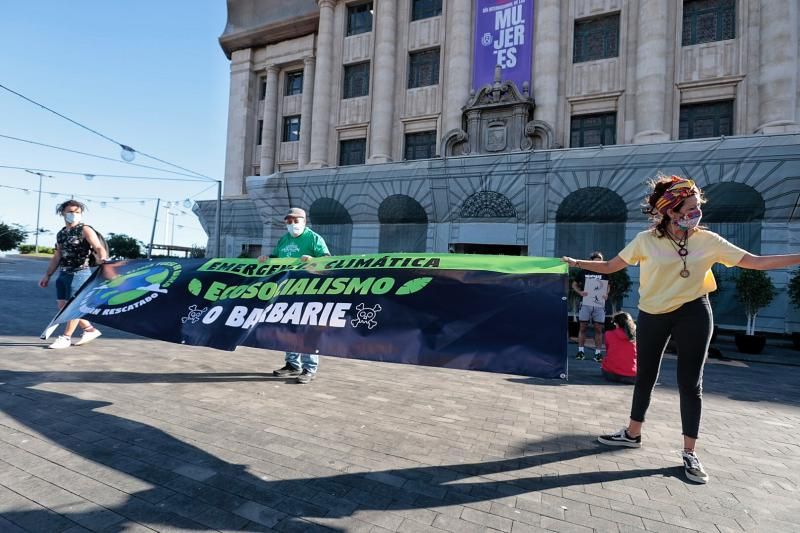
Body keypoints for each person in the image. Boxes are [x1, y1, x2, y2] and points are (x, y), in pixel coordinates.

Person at [562, 175, 800, 484]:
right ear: (671, 211)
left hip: (694, 311)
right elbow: (609, 267)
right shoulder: (645, 241)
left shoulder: (707, 240)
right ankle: (632, 434)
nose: (697, 213)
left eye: (698, 206)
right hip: (653, 313)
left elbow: (754, 262)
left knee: (690, 383)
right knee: (644, 375)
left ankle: (689, 452)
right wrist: (573, 261)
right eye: (690, 207)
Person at [258, 207, 330, 384]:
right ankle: (292, 365)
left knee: (307, 329)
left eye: (295, 221)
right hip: (287, 290)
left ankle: (309, 368)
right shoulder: (284, 239)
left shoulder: (314, 239)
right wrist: (267, 258)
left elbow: (328, 261)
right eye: (288, 221)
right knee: (289, 328)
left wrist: (313, 260)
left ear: (304, 222)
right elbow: (278, 258)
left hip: (308, 291)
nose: (292, 224)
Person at [39, 200, 108, 349]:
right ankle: (89, 330)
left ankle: (66, 337)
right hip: (63, 274)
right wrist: (47, 275)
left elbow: (97, 246)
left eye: (77, 212)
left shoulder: (85, 230)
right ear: (63, 213)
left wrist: (102, 257)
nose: (74, 215)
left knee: (73, 306)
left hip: (80, 273)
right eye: (70, 212)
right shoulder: (61, 234)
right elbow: (57, 256)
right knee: (63, 306)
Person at [572, 251, 609, 361]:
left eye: (600, 262)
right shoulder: (584, 271)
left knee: (598, 329)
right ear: (591, 261)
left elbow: (608, 286)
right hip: (586, 302)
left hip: (599, 304)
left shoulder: (605, 272)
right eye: (595, 262)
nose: (598, 264)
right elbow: (574, 284)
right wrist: (580, 292)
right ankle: (580, 352)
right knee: (583, 327)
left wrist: (606, 294)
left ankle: (598, 353)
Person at [602, 312, 637, 384]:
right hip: (632, 376)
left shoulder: (608, 334)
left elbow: (608, 352)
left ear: (616, 324)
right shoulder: (636, 338)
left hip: (611, 375)